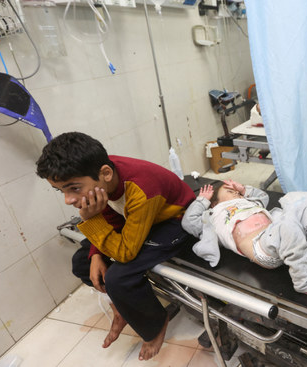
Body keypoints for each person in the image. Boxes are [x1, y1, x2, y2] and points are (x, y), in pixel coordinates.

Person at [36, 132, 195, 361]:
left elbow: (125, 252)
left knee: (119, 277)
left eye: (73, 188)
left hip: (174, 221)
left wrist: (91, 220)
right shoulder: (102, 176)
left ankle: (156, 323)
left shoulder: (141, 188)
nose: (68, 199)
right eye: (61, 190)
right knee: (82, 263)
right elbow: (112, 215)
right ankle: (120, 307)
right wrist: (95, 254)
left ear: (106, 174)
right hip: (136, 218)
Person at [182, 180, 307, 299]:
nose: (236, 193)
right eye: (230, 191)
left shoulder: (247, 201)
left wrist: (243, 189)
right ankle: (305, 283)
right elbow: (189, 223)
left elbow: (263, 197)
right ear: (214, 202)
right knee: (286, 227)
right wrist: (202, 200)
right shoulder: (213, 214)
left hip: (278, 235)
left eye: (237, 192)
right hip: (261, 247)